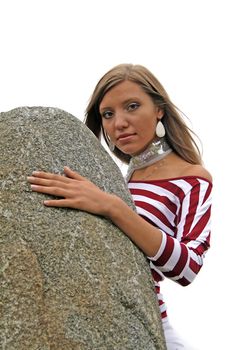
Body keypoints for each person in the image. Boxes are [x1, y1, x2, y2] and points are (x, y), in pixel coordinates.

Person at [27, 63, 212, 349]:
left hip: (147, 327)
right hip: (82, 317)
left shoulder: (192, 178)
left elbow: (188, 267)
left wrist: (113, 207)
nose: (119, 123)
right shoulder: (118, 177)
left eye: (133, 106)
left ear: (159, 109)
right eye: (108, 114)